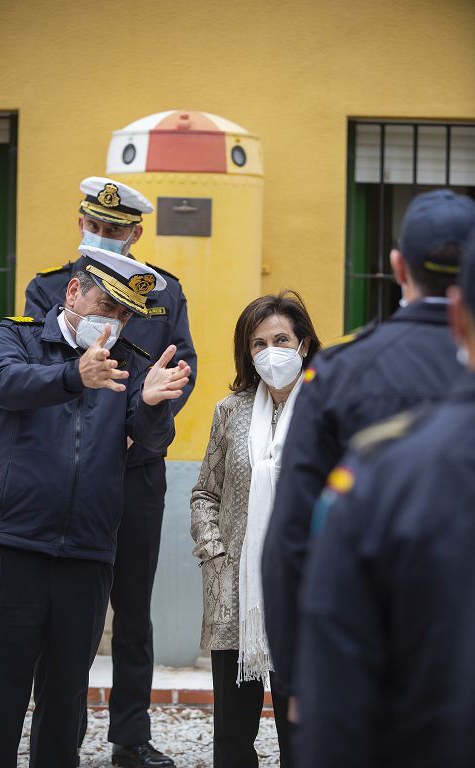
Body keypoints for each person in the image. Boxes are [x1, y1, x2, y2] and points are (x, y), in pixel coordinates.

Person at [0, 245, 191, 768]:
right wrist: (73, 377)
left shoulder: (128, 365)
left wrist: (155, 407)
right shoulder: (16, 336)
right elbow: (1, 384)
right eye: (104, 308)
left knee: (65, 714)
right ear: (72, 292)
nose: (111, 325)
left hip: (86, 557)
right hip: (9, 548)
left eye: (123, 316)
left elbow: (146, 443)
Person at [262, 188, 475, 703]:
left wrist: (298, 679)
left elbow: (290, 539)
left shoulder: (339, 375)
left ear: (398, 266)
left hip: (376, 650)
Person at [24, 176, 197, 768]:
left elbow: (184, 368)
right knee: (64, 603)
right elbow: (40, 365)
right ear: (80, 224)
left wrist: (144, 419)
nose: (104, 236)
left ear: (136, 233)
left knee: (134, 605)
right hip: (69, 470)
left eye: (116, 229)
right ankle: (61, 730)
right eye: (95, 226)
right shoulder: (49, 287)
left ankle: (130, 734)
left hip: (137, 469)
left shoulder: (165, 292)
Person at [190, 290, 320, 768]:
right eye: (257, 344)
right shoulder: (231, 412)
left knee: (302, 730)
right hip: (235, 592)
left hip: (303, 592)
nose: (270, 353)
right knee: (232, 734)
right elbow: (205, 492)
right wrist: (216, 555)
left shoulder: (326, 410)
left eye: (280, 339)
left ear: (303, 344)